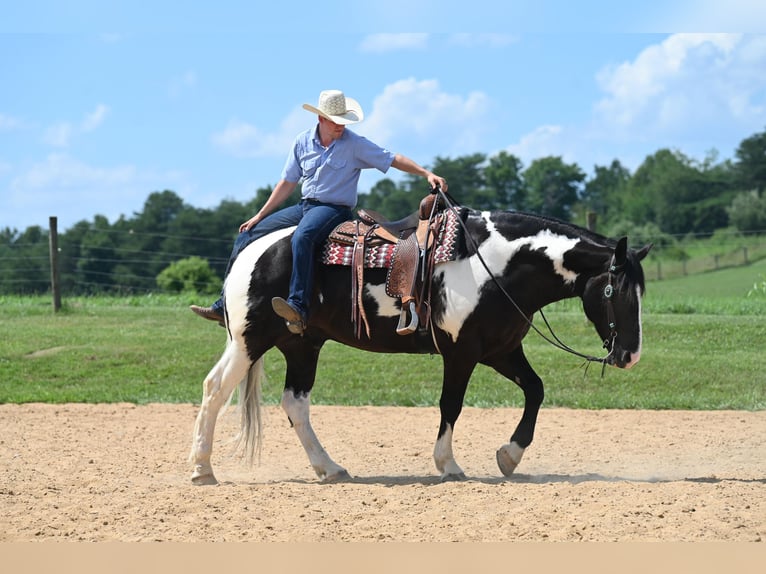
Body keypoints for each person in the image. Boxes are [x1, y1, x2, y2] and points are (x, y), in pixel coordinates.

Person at [191, 89, 448, 334]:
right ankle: (224, 304)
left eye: (344, 121)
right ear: (321, 118)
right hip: (305, 206)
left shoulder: (354, 144)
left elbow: (392, 158)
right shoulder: (302, 142)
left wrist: (426, 173)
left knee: (303, 237)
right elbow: (287, 183)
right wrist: (260, 215)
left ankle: (298, 305)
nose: (341, 126)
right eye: (336, 121)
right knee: (247, 235)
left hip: (333, 209)